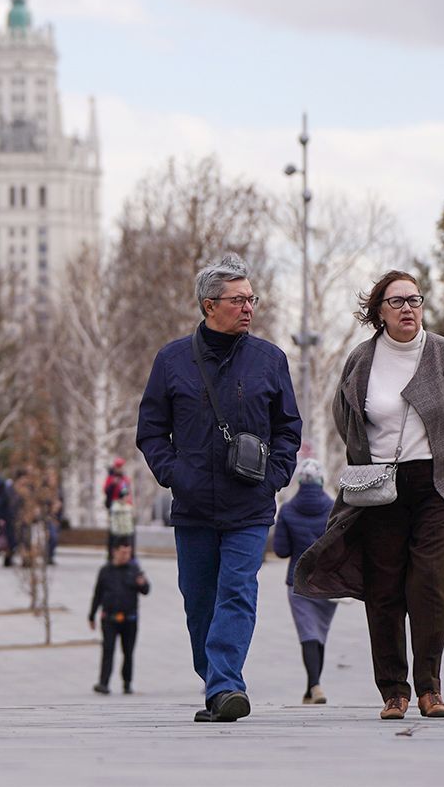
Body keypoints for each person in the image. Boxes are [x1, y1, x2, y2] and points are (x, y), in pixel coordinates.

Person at [295, 270, 444, 722]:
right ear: (379, 312)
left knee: (430, 583)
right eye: (397, 302)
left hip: (434, 484)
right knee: (384, 587)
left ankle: (430, 688)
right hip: (378, 487)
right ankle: (394, 691)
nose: (408, 308)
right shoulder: (362, 359)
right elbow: (346, 417)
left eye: (414, 300)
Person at [135, 252, 302, 724]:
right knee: (199, 599)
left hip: (249, 507)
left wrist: (274, 478)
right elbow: (150, 432)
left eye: (252, 299)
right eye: (238, 299)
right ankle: (216, 682)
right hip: (193, 508)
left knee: (237, 591)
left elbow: (289, 429)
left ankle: (227, 684)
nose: (249, 307)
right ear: (210, 305)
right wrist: (176, 475)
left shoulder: (270, 360)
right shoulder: (171, 361)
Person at [272, 457, 338, 704]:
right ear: (321, 480)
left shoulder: (288, 510)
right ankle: (313, 689)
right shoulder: (334, 508)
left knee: (308, 633)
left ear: (300, 481)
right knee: (320, 633)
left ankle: (314, 685)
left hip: (298, 582)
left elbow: (280, 550)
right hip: (328, 582)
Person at [89, 540, 150, 695]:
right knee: (108, 650)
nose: (126, 556)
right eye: (123, 552)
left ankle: (127, 683)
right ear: (114, 552)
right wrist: (92, 615)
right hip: (109, 619)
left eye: (128, 553)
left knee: (128, 652)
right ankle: (103, 683)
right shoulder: (105, 571)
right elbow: (97, 594)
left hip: (129, 619)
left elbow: (146, 590)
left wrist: (143, 583)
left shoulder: (134, 570)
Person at [107, 488, 136, 561]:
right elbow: (114, 522)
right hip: (118, 533)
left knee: (128, 551)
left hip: (128, 532)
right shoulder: (116, 507)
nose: (127, 498)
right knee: (116, 550)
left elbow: (131, 520)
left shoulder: (128, 507)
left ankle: (130, 560)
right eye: (126, 496)